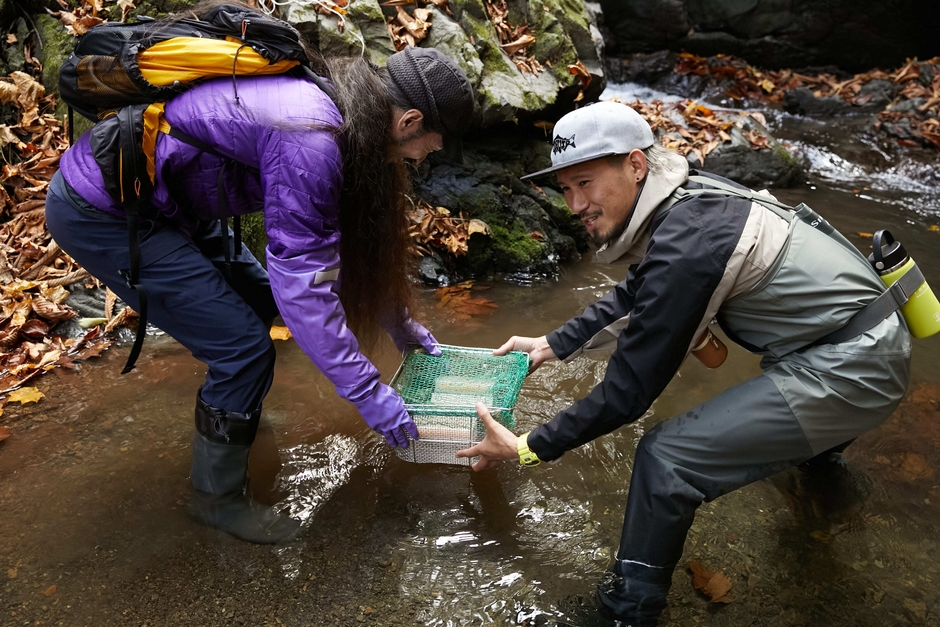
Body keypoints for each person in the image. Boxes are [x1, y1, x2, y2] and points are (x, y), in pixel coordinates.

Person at [457, 101, 911, 625]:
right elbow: (641, 290)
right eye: (565, 188)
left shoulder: (691, 242)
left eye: (585, 182)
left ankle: (627, 611)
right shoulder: (689, 198)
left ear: (635, 165)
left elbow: (628, 391)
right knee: (775, 426)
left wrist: (528, 447)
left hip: (854, 366)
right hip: (859, 337)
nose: (575, 203)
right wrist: (552, 344)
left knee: (667, 458)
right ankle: (825, 479)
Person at [46, 3, 475, 545]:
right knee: (244, 349)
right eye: (428, 148)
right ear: (409, 121)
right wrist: (372, 397)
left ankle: (232, 416)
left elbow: (334, 250)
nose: (422, 158)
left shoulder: (347, 106)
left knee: (257, 312)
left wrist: (398, 322)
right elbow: (304, 284)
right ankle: (216, 500)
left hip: (165, 204)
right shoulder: (311, 134)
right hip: (103, 211)